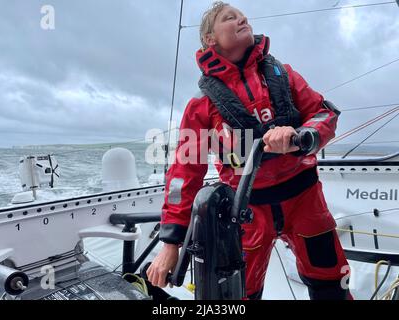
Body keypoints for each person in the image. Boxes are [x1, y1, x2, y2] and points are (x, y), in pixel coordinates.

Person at [147, 1, 352, 300]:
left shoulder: (284, 74)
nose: (242, 18)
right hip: (245, 212)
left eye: (242, 15)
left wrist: (303, 135)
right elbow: (184, 173)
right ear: (210, 39)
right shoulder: (201, 104)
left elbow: (324, 114)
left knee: (331, 280)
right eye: (230, 18)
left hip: (305, 198)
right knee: (241, 293)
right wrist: (170, 243)